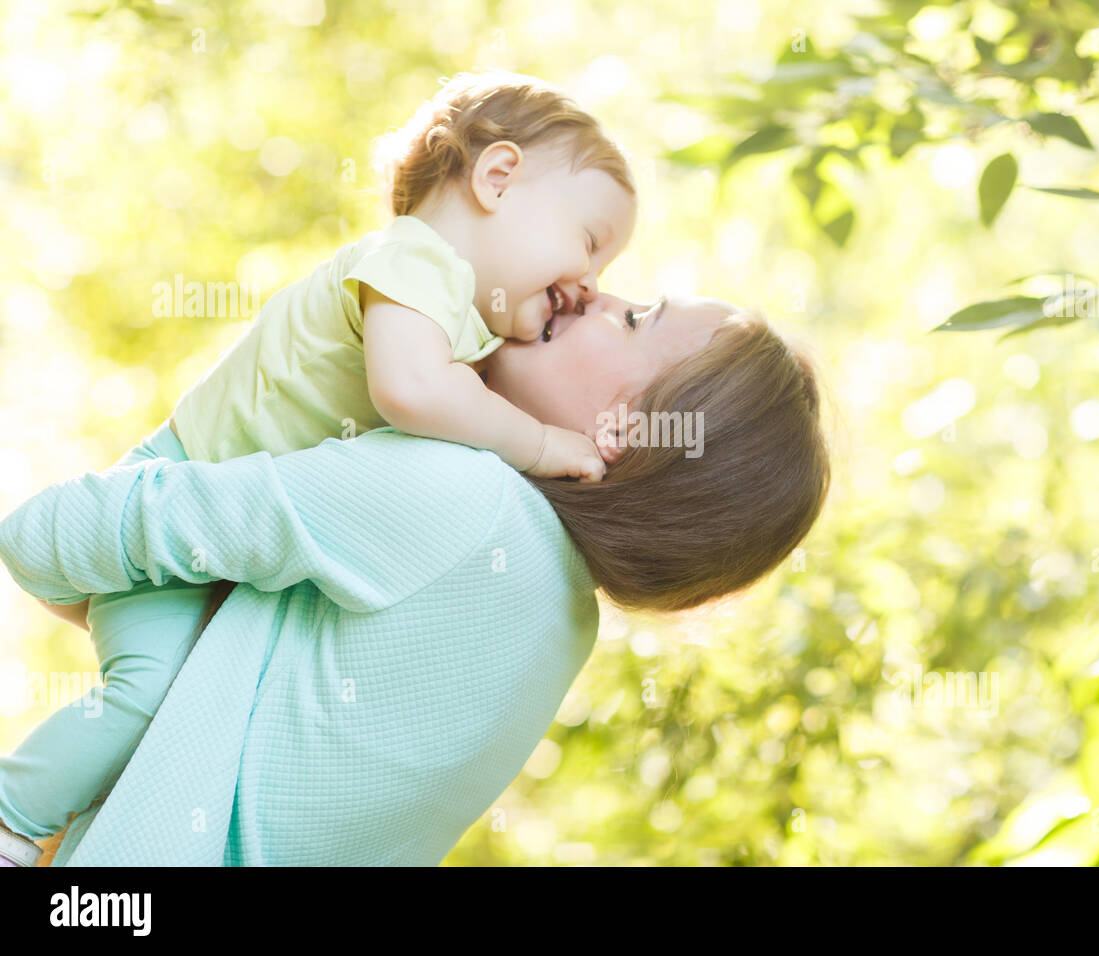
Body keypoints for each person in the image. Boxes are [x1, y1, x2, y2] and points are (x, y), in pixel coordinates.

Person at [0, 69, 640, 854]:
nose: (588, 285)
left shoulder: (458, 328)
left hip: (216, 556)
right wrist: (541, 443)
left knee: (174, 722)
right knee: (149, 694)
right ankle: (13, 817)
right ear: (497, 177)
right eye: (589, 242)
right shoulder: (412, 266)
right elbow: (408, 392)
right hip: (172, 491)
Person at [0, 291, 831, 864]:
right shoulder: (563, 626)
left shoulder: (459, 494)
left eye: (635, 316)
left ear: (626, 436)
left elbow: (48, 536)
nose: (589, 293)